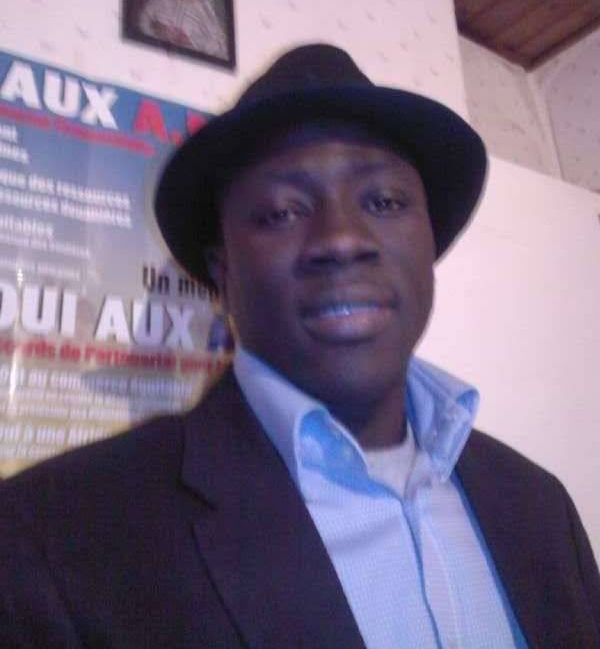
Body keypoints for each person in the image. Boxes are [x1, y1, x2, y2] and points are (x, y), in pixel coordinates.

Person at [0, 44, 599, 648]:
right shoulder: (48, 535)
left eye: (384, 202)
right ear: (223, 270)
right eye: (282, 212)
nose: (341, 240)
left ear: (428, 244)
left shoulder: (540, 506)